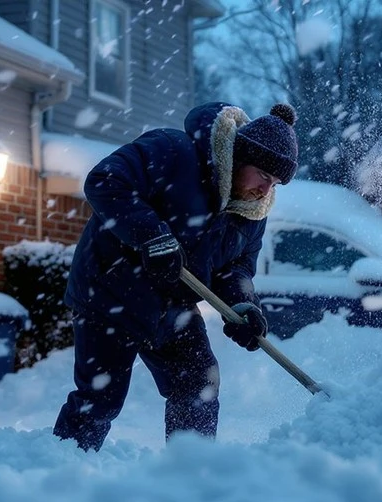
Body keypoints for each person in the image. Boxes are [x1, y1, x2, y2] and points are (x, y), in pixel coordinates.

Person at [53, 102, 299, 451]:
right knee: (100, 398)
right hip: (110, 294)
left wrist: (244, 305)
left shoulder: (250, 214)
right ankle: (62, 471)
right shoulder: (173, 151)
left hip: (171, 306)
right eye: (263, 175)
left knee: (199, 381)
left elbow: (236, 268)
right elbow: (106, 180)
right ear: (240, 157)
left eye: (275, 183)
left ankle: (190, 474)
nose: (266, 190)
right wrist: (151, 236)